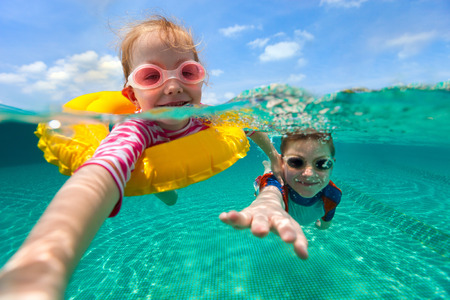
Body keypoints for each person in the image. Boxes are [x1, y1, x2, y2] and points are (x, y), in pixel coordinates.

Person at [0, 15, 278, 300]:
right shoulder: (135, 128)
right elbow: (101, 171)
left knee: (171, 188)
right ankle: (163, 191)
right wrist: (42, 263)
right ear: (132, 96)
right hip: (148, 163)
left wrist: (274, 156)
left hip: (176, 163)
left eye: (188, 72)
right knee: (166, 191)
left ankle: (167, 189)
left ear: (202, 79)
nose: (172, 87)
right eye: (151, 76)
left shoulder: (207, 116)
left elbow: (248, 126)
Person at [219, 131, 342, 260]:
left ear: (332, 166)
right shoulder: (276, 183)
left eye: (322, 163)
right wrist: (266, 203)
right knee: (265, 181)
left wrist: (321, 227)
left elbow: (326, 223)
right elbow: (271, 194)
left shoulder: (333, 195)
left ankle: (270, 166)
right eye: (296, 162)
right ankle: (268, 169)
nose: (309, 174)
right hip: (271, 181)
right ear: (283, 163)